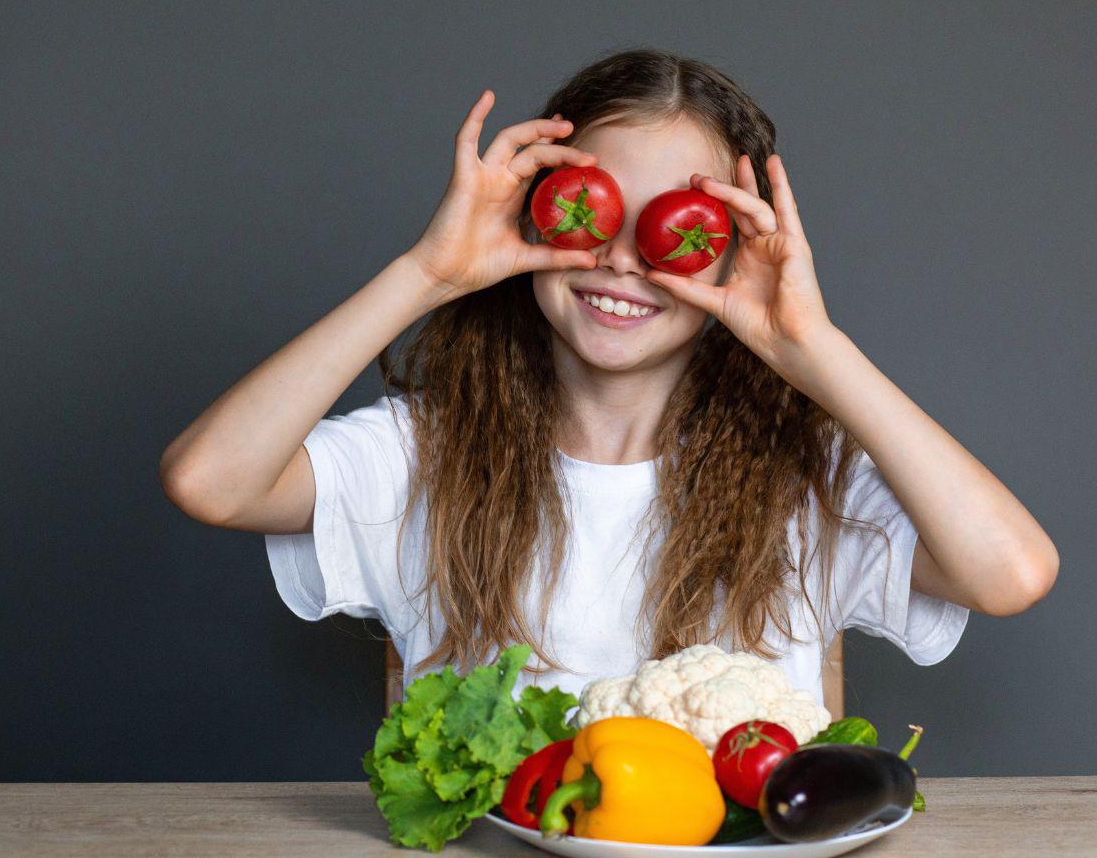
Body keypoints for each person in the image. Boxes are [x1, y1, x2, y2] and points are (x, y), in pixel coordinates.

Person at [159, 48, 1058, 705]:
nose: (624, 260)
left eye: (677, 222)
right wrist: (424, 276)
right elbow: (211, 481)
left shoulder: (800, 478)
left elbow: (1010, 572)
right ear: (531, 211)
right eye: (588, 209)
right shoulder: (422, 453)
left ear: (733, 248)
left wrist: (811, 345)